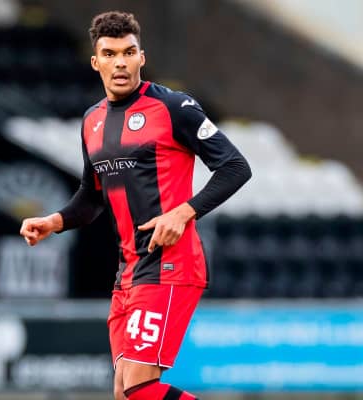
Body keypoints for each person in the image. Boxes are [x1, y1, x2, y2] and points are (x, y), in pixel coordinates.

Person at [20, 10, 251, 400]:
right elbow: (92, 195)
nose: (120, 63)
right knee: (124, 392)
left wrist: (184, 212)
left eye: (129, 52)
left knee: (139, 389)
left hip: (169, 264)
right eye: (110, 54)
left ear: (142, 57)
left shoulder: (174, 107)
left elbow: (235, 166)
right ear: (95, 62)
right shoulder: (92, 121)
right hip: (128, 271)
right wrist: (53, 221)